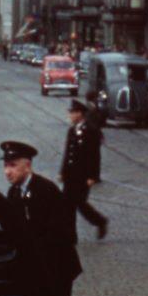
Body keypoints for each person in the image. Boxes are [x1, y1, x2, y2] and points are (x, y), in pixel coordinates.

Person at [1, 139, 81, 296]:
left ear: (27, 166)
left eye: (13, 165)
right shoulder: (14, 192)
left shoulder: (44, 190)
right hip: (38, 266)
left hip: (57, 265)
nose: (7, 171)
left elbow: (60, 233)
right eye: (5, 166)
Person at [60, 100, 108, 241]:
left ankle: (100, 221)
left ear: (79, 114)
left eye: (72, 113)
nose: (70, 115)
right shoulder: (72, 130)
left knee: (79, 203)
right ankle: (71, 236)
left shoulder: (91, 131)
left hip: (83, 175)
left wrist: (93, 176)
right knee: (67, 205)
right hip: (70, 174)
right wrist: (63, 172)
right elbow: (67, 152)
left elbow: (95, 155)